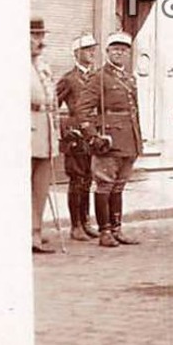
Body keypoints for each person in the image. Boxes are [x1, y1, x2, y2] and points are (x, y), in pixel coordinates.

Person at [77, 32, 143, 247]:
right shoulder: (99, 77)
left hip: (129, 140)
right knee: (105, 185)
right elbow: (82, 109)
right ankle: (105, 231)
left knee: (119, 187)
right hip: (109, 140)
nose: (118, 52)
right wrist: (93, 136)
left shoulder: (129, 78)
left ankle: (117, 229)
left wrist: (138, 140)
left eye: (123, 50)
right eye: (114, 49)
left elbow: (135, 112)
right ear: (107, 52)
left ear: (128, 53)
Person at [56, 33, 99, 241]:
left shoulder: (96, 77)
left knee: (88, 180)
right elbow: (52, 106)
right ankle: (75, 226)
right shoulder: (69, 79)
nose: (92, 53)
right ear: (76, 53)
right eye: (87, 49)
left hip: (92, 134)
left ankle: (85, 221)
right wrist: (65, 130)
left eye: (93, 49)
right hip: (75, 136)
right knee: (76, 179)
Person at [30, 17, 59, 254]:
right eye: (34, 35)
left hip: (45, 129)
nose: (39, 41)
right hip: (25, 127)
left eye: (41, 36)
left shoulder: (43, 64)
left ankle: (35, 230)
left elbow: (53, 101)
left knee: (41, 184)